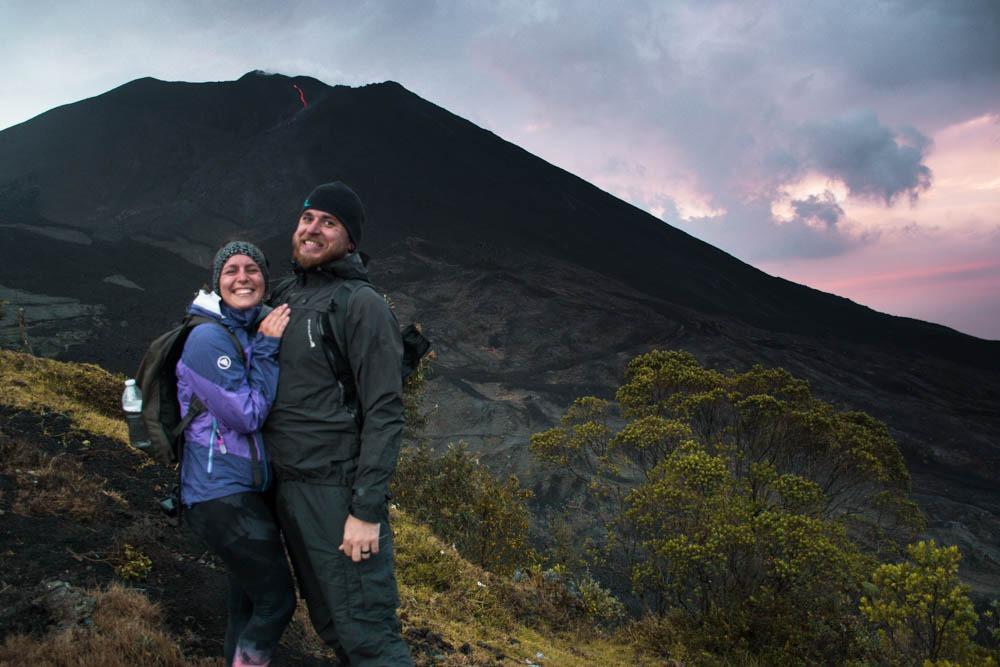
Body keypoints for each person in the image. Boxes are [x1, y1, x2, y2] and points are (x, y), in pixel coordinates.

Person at [264, 182, 413, 665]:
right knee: (331, 624)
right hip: (287, 490)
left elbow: (385, 411)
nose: (313, 230)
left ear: (350, 240)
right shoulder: (286, 294)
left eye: (329, 223)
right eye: (309, 218)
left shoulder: (361, 304)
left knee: (367, 633)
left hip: (336, 494)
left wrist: (366, 511)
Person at [176, 241, 295, 667]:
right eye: (231, 270)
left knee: (245, 605)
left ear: (265, 280)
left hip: (244, 490)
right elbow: (246, 415)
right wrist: (266, 349)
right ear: (217, 283)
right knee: (277, 602)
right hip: (217, 494)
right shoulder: (208, 338)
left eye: (252, 269)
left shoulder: (250, 327)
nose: (242, 277)